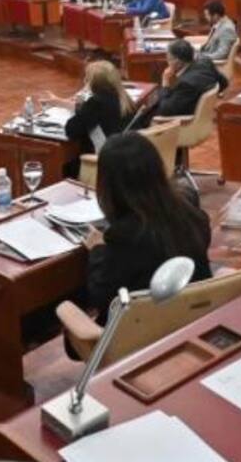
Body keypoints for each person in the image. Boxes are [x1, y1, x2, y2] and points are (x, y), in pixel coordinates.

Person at [81, 132, 212, 323]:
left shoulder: (124, 236)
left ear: (110, 185)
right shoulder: (190, 207)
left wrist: (97, 250)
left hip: (143, 332)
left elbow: (101, 296)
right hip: (192, 318)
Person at [48, 60, 133, 177]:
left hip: (103, 163)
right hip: (125, 157)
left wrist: (85, 100)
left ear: (91, 83)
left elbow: (71, 130)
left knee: (65, 166)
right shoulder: (124, 97)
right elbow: (94, 115)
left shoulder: (95, 103)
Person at [153, 39, 227, 118]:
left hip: (182, 122)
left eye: (168, 58)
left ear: (177, 62)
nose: (167, 61)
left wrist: (165, 83)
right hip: (196, 111)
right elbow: (224, 83)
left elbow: (164, 110)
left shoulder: (186, 84)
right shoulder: (205, 62)